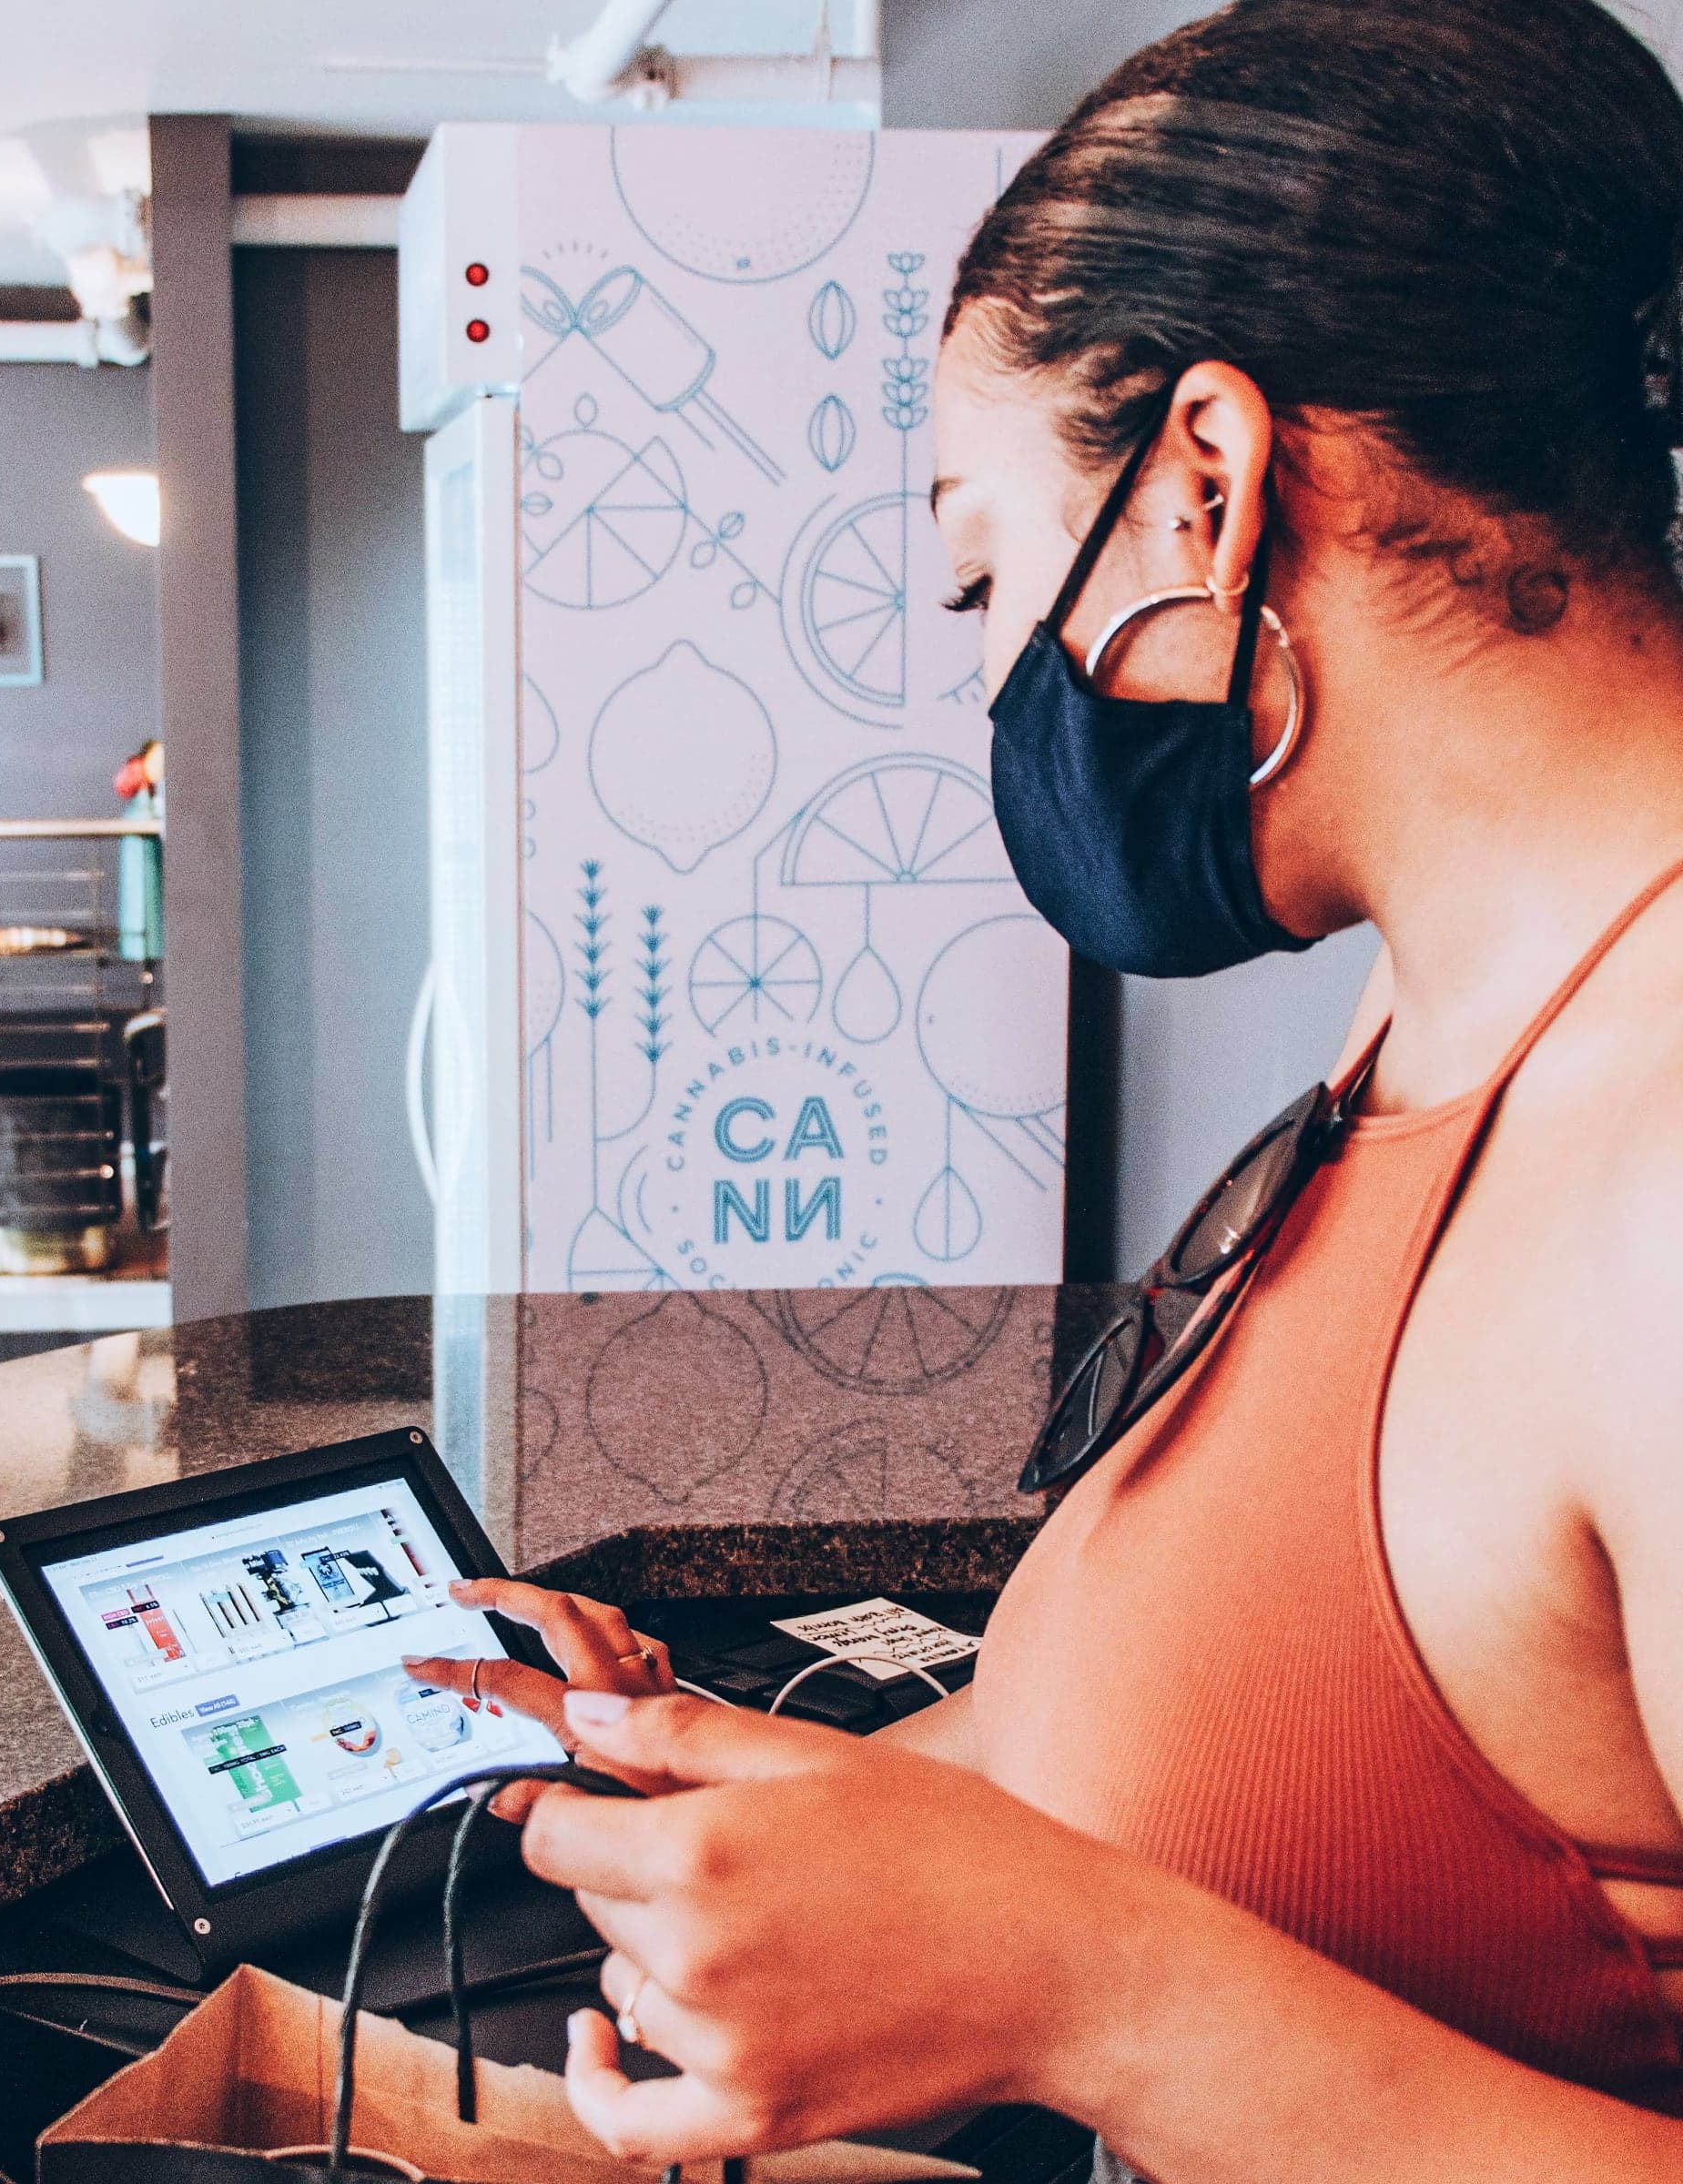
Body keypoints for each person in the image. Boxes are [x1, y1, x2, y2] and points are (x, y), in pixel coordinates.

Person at [400, 2, 1683, 2175]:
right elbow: (1289, 1739)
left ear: (1210, 479)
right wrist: (702, 1766)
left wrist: (1089, 1994)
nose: (1001, 679)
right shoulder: (1439, 1021)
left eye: (989, 572)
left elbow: (1146, 1956)